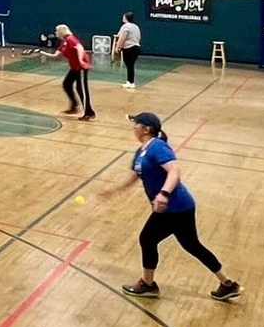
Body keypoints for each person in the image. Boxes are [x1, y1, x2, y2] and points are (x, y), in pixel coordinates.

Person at [100, 112, 242, 302]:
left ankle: (148, 284)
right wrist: (115, 190)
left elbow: (174, 170)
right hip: (177, 207)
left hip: (175, 206)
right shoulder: (141, 151)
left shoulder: (157, 147)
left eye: (136, 124)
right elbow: (136, 174)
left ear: (146, 129)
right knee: (192, 245)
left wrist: (164, 193)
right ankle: (227, 284)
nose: (133, 127)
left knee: (148, 238)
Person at [43, 24, 95, 121]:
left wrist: (80, 60)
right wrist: (42, 53)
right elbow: (55, 56)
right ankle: (74, 106)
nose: (55, 33)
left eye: (57, 31)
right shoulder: (64, 43)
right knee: (67, 84)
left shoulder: (71, 39)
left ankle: (89, 113)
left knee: (81, 89)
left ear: (62, 31)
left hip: (81, 67)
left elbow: (80, 47)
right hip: (74, 68)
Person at [113, 12, 142, 89]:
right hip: (136, 48)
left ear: (126, 18)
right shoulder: (136, 26)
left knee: (129, 65)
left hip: (129, 48)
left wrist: (117, 47)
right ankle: (130, 82)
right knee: (130, 66)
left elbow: (122, 37)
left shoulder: (126, 26)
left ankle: (131, 82)